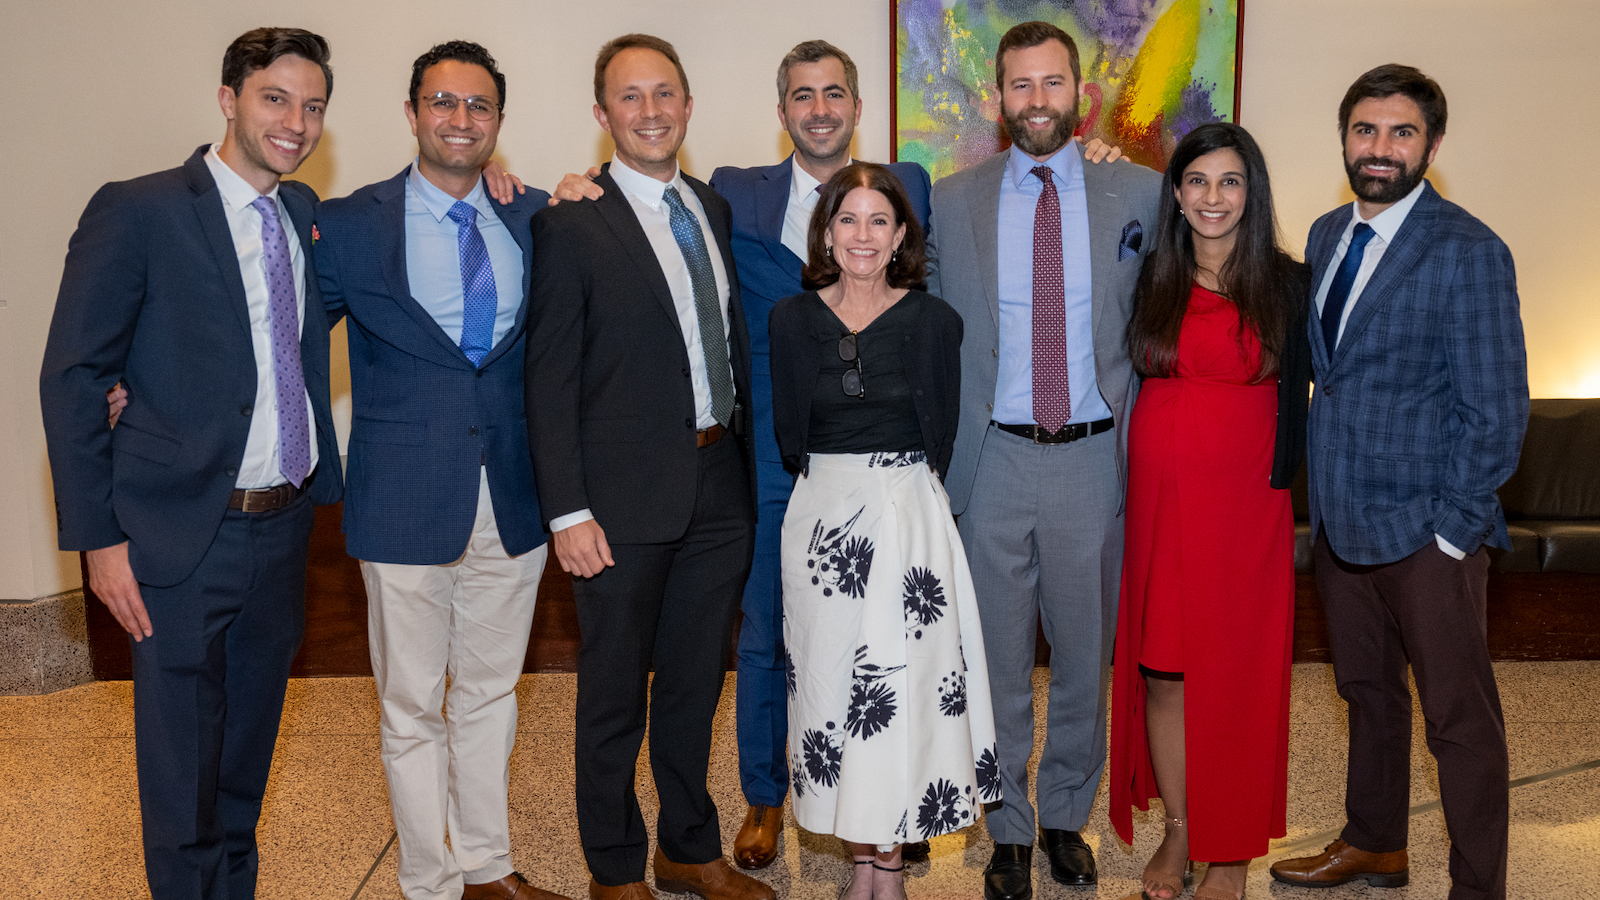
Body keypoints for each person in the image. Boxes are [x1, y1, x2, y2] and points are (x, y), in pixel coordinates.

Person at [38, 28, 344, 900]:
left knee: (244, 764)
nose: (295, 122)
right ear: (228, 99)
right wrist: (99, 542)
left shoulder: (300, 213)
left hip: (282, 526)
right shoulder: (140, 210)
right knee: (182, 778)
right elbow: (73, 377)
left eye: (313, 105)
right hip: (176, 536)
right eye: (275, 98)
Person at [523, 33, 773, 900]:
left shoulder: (711, 208)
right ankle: (614, 866)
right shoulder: (569, 224)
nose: (650, 111)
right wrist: (567, 511)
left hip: (719, 484)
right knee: (614, 693)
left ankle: (688, 848)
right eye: (629, 97)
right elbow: (549, 377)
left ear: (688, 105)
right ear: (602, 113)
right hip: (617, 504)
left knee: (695, 685)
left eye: (664, 93)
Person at [312, 41, 563, 900]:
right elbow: (279, 333)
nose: (461, 119)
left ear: (499, 119)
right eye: (443, 103)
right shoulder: (350, 224)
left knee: (490, 694)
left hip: (514, 495)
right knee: (411, 704)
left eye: (478, 105)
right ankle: (428, 881)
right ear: (413, 113)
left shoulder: (536, 217)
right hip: (402, 498)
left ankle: (487, 867)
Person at [1269, 65, 1526, 900]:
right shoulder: (1324, 234)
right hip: (1342, 524)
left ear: (1432, 146)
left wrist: (1454, 529)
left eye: (1401, 132)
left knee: (1459, 720)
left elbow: (1496, 409)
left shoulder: (1469, 250)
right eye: (1366, 130)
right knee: (1366, 694)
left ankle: (1478, 887)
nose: (1380, 148)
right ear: (1345, 139)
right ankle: (1375, 845)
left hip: (1428, 532)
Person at [925, 21, 1162, 900]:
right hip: (992, 457)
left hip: (1094, 460)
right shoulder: (952, 199)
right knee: (993, 661)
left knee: (1084, 657)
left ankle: (1065, 816)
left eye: (1052, 83)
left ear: (1080, 94)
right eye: (1020, 85)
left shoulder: (1139, 192)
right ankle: (1008, 830)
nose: (1037, 100)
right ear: (998, 98)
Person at [707, 44, 932, 869]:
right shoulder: (735, 191)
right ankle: (767, 796)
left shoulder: (908, 183)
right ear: (783, 112)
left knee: (885, 628)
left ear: (857, 106)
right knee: (772, 624)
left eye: (834, 93)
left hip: (883, 447)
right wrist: (581, 183)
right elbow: (647, 203)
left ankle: (892, 795)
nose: (820, 109)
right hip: (777, 447)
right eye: (803, 95)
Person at [769, 162, 999, 900]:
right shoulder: (788, 321)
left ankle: (890, 867)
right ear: (825, 234)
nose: (862, 236)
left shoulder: (935, 322)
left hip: (908, 523)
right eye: (847, 220)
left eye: (879, 221)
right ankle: (861, 858)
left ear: (901, 236)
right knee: (833, 691)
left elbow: (943, 434)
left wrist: (894, 499)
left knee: (904, 691)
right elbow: (788, 436)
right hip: (821, 529)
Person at [1106, 122, 1311, 900]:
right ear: (1177, 193)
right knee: (1164, 672)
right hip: (1157, 505)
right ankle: (1183, 829)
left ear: (1251, 192)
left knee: (1237, 678)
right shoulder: (1149, 276)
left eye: (1230, 181)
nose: (1213, 196)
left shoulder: (1289, 286)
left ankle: (1232, 849)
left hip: (1245, 511)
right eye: (1197, 180)